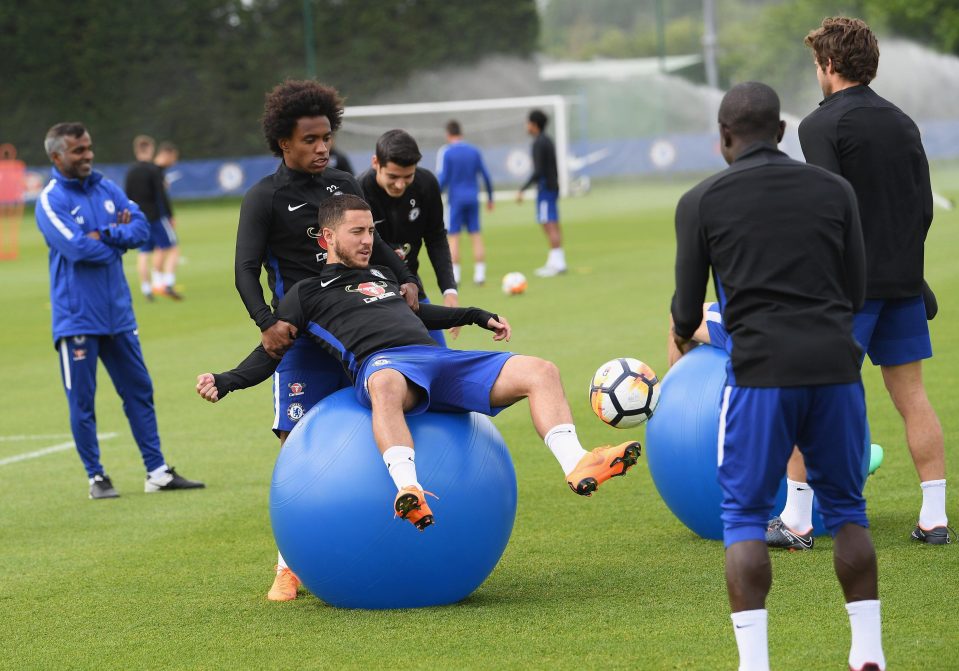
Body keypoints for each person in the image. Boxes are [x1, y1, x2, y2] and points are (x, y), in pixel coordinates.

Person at [198, 194, 641, 530]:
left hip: (434, 360)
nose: (369, 240)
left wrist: (474, 315)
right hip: (385, 367)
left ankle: (576, 462)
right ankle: (409, 489)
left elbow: (417, 313)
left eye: (371, 231)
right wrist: (227, 380)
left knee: (540, 371)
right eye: (358, 232)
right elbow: (273, 348)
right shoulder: (305, 294)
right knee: (386, 385)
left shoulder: (381, 275)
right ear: (327, 237)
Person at [670, 83, 884, 671]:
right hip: (836, 370)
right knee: (848, 513)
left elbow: (686, 312)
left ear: (723, 139)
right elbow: (857, 290)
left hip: (760, 374)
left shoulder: (700, 201)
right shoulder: (835, 190)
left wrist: (689, 330)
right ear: (784, 131)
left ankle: (755, 664)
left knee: (742, 517)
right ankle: (868, 654)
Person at [767, 16, 950, 550]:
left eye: (816, 64)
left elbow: (829, 214)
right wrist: (909, 274)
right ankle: (934, 518)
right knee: (912, 396)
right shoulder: (903, 121)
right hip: (903, 286)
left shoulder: (819, 126)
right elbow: (921, 209)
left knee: (803, 393)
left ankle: (797, 521)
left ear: (828, 64)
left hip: (848, 290)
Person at [234, 80, 420, 601]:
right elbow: (245, 270)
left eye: (326, 137)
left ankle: (396, 538)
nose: (322, 147)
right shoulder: (264, 197)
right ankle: (287, 564)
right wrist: (266, 321)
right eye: (310, 139)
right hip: (301, 343)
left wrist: (408, 281)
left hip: (362, 334)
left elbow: (378, 246)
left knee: (388, 425)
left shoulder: (342, 185)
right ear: (282, 143)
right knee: (297, 449)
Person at [35, 122, 204, 499]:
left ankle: (156, 472)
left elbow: (141, 228)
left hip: (118, 315)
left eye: (89, 147)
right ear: (56, 156)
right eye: (78, 150)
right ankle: (96, 477)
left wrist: (106, 234)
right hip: (77, 317)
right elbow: (77, 249)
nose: (88, 155)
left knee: (139, 391)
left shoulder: (107, 187)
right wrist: (113, 237)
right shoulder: (51, 200)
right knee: (82, 401)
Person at [358, 129, 458, 346]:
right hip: (370, 296)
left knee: (440, 357)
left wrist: (449, 289)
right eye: (393, 176)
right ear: (376, 163)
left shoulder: (426, 184)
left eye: (408, 177)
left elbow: (436, 237)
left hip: (411, 287)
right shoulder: (358, 191)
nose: (400, 185)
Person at [436, 119, 494, 286]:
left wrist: (433, 197)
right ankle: (480, 275)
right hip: (473, 198)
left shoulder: (447, 152)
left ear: (448, 134)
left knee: (454, 237)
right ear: (461, 132)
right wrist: (490, 197)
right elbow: (486, 175)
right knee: (476, 235)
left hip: (456, 200)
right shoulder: (474, 151)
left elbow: (443, 178)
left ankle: (456, 276)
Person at [125, 136, 183, 301]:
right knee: (171, 247)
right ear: (150, 149)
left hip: (138, 218)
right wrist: (170, 215)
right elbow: (161, 195)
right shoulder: (152, 170)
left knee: (144, 253)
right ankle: (165, 283)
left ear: (136, 150)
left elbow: (127, 196)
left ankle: (146, 289)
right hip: (155, 216)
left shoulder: (130, 171)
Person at [516, 109, 566, 277]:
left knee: (548, 224)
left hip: (545, 189)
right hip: (552, 188)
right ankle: (556, 261)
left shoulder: (538, 143)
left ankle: (557, 264)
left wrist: (522, 189)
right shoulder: (548, 141)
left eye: (528, 123)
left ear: (534, 125)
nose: (526, 126)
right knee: (553, 224)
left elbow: (538, 171)